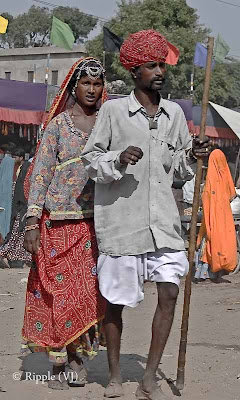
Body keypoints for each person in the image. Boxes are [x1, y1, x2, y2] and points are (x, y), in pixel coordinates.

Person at [82, 30, 210, 399]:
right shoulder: (113, 111)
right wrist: (117, 159)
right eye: (150, 66)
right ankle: (116, 375)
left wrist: (195, 152)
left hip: (164, 225)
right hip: (123, 224)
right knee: (116, 302)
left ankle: (151, 374)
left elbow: (183, 169)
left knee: (169, 292)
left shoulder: (174, 115)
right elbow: (91, 161)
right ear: (135, 71)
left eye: (161, 65)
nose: (159, 71)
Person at [22, 57, 107, 390]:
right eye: (85, 83)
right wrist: (31, 221)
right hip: (55, 224)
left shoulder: (107, 125)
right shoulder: (58, 125)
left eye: (97, 84)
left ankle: (77, 357)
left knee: (86, 296)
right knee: (57, 294)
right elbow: (41, 173)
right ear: (74, 87)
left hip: (93, 226)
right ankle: (59, 363)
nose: (91, 89)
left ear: (103, 89)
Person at [195, 149, 237, 282]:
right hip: (223, 219)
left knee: (208, 242)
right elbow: (231, 195)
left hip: (211, 218)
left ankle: (202, 274)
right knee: (219, 242)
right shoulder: (225, 177)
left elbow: (206, 198)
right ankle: (214, 273)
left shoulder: (211, 180)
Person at [0, 147, 32, 268]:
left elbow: (23, 188)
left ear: (21, 158)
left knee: (19, 230)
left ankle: (14, 256)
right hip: (19, 205)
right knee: (16, 230)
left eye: (15, 157)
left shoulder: (26, 168)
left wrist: (21, 204)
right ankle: (13, 256)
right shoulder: (20, 168)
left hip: (22, 204)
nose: (13, 159)